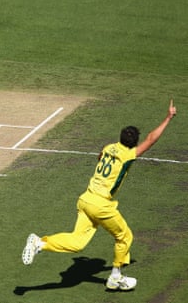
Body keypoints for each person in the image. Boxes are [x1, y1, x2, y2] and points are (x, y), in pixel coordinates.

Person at [22, 99, 177, 291]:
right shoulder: (128, 154)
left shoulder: (107, 148)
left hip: (85, 199)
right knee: (125, 236)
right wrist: (168, 117)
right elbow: (151, 138)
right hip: (101, 205)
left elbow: (99, 157)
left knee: (77, 242)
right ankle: (115, 277)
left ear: (120, 138)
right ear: (134, 142)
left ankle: (40, 243)